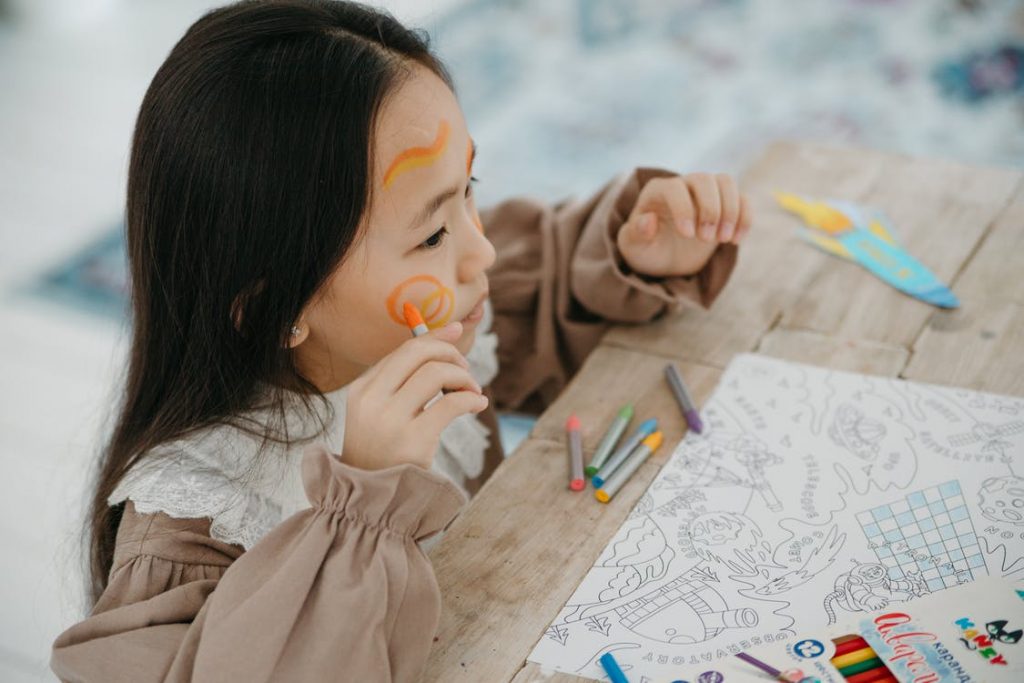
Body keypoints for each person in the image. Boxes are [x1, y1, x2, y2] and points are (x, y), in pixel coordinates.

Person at [51, 0, 749, 679]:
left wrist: (638, 249)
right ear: (274, 310)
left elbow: (549, 283)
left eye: (467, 187)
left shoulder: (425, 317)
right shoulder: (191, 524)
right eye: (434, 233)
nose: (483, 254)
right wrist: (363, 507)